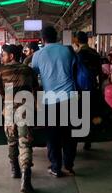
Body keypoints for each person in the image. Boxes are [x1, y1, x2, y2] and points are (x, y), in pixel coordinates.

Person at [31, 26, 77, 177]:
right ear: (57, 36)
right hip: (70, 97)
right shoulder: (68, 50)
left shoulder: (38, 55)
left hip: (50, 100)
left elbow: (34, 76)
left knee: (52, 134)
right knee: (69, 134)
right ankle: (68, 166)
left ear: (42, 39)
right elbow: (75, 70)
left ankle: (56, 167)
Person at [0, 45, 39, 193]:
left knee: (12, 140)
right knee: (25, 142)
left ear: (12, 56)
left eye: (4, 55)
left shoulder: (1, 71)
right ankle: (26, 178)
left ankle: (15, 169)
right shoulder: (29, 70)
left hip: (9, 110)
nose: (2, 57)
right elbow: (35, 88)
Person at [76, 31, 102, 151]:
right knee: (90, 112)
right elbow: (100, 72)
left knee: (80, 113)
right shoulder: (95, 53)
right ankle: (88, 139)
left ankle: (78, 136)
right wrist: (99, 86)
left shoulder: (78, 54)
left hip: (80, 87)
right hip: (92, 86)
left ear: (77, 41)